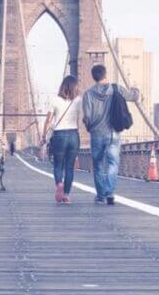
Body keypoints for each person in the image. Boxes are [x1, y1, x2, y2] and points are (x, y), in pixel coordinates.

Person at [81, 64, 139, 205]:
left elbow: (87, 117)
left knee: (98, 164)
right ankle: (110, 191)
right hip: (113, 132)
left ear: (93, 77)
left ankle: (101, 195)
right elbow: (134, 97)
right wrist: (135, 88)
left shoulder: (88, 94)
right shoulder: (116, 88)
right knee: (113, 162)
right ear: (105, 74)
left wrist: (90, 128)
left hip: (96, 133)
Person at [41, 75, 82, 204]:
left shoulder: (55, 100)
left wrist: (43, 136)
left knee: (58, 165)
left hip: (59, 135)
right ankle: (66, 195)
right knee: (70, 167)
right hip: (74, 135)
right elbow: (84, 117)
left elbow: (48, 121)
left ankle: (59, 183)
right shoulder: (79, 100)